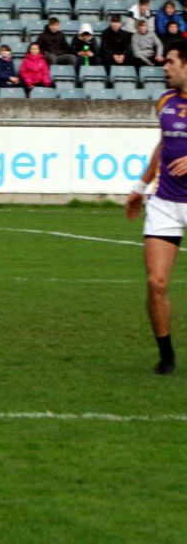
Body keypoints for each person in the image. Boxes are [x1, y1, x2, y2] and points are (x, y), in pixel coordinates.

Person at [124, 40, 187, 375]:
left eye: (171, 62)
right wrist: (139, 187)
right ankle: (167, 356)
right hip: (164, 200)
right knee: (156, 282)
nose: (164, 67)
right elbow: (164, 145)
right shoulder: (164, 101)